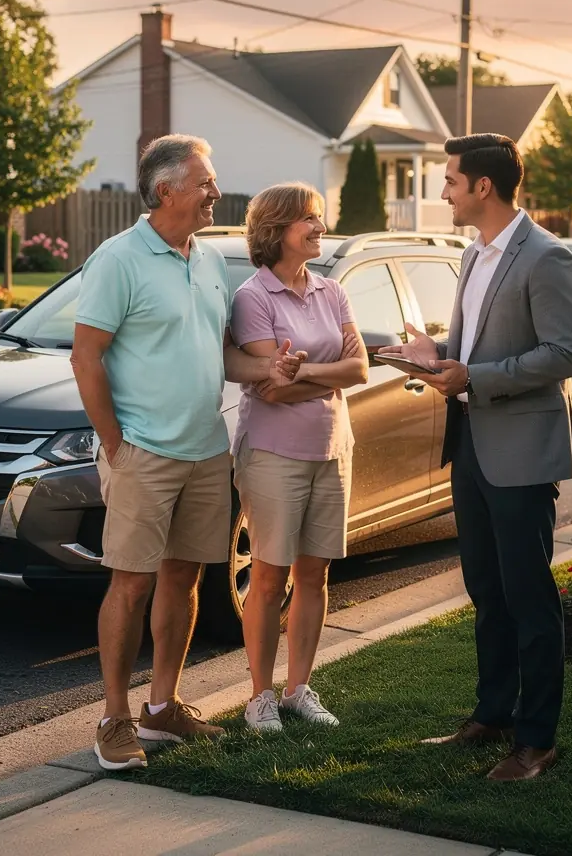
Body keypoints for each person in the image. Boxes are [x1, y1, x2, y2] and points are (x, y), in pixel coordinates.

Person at [71, 135, 303, 772]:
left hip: (206, 449)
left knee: (183, 577)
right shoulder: (117, 260)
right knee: (131, 584)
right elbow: (85, 357)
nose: (215, 192)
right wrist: (116, 443)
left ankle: (161, 708)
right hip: (142, 450)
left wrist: (265, 367)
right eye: (205, 182)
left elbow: (217, 354)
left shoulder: (209, 262)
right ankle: (114, 719)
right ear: (165, 189)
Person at [381, 133, 572, 782]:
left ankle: (536, 740)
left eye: (448, 181)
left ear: (483, 188)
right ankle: (492, 714)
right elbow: (474, 344)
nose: (441, 191)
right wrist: (434, 353)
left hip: (522, 449)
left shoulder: (546, 258)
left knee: (529, 598)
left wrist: (473, 375)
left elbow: (564, 355)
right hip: (470, 443)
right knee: (486, 590)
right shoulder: (474, 255)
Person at [229, 183, 368, 733]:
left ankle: (297, 690)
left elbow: (358, 371)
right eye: (308, 219)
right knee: (268, 577)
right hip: (272, 454)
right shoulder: (253, 297)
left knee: (315, 575)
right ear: (275, 229)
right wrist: (312, 376)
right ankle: (259, 696)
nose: (319, 226)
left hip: (333, 449)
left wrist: (304, 371)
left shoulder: (333, 292)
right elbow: (270, 389)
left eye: (319, 216)